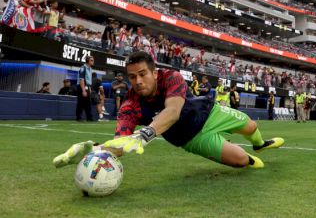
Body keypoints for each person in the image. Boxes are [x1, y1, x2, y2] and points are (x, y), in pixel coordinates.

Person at [53, 51, 284, 169]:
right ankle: (250, 155)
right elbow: (122, 145)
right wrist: (93, 150)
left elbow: (173, 111)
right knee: (241, 161)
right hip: (190, 139)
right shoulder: (129, 107)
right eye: (132, 77)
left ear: (154, 73)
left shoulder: (171, 77)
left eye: (142, 74)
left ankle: (259, 144)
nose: (138, 81)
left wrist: (145, 134)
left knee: (251, 126)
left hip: (209, 114)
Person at [76, 56, 94, 122]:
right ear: (88, 61)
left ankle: (89, 117)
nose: (93, 61)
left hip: (87, 86)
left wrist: (89, 89)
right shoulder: (83, 68)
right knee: (80, 102)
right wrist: (83, 90)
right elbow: (81, 80)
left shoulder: (90, 69)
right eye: (91, 60)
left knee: (88, 103)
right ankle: (79, 118)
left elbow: (89, 80)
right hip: (82, 86)